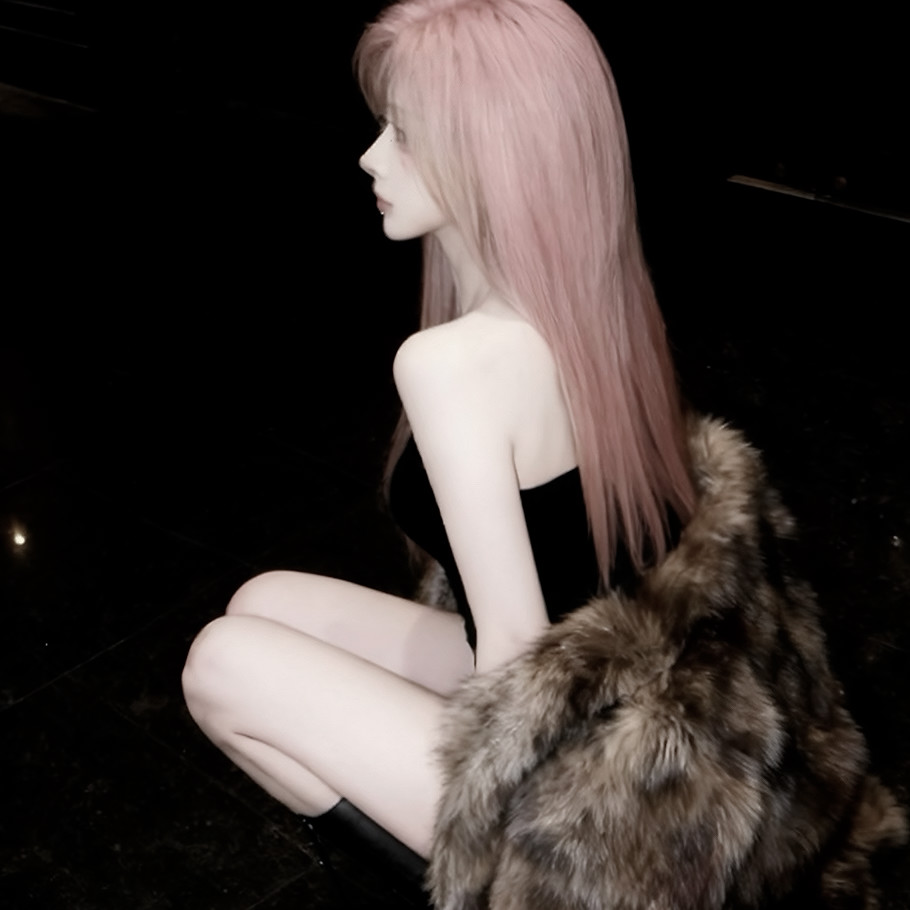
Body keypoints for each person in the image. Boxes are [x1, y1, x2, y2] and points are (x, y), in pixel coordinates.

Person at [181, 0, 694, 865]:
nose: (371, 155)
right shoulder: (598, 311)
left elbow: (513, 655)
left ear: (495, 161)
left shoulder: (450, 365)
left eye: (408, 135)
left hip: (587, 800)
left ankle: (487, 886)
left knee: (219, 664)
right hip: (638, 708)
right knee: (263, 602)